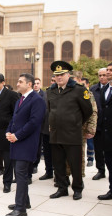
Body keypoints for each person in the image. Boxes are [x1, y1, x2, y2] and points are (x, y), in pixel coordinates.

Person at [46, 61, 92, 200]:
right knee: (58, 164)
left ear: (68, 75)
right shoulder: (50, 91)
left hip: (72, 133)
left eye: (62, 75)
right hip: (55, 133)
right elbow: (50, 110)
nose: (59, 78)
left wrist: (76, 123)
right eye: (56, 75)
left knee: (75, 164)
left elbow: (88, 111)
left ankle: (77, 188)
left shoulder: (79, 90)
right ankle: (62, 188)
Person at [5, 73, 46, 216]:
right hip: (16, 142)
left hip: (26, 143)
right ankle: (25, 202)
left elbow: (34, 123)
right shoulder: (20, 99)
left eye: (20, 81)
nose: (17, 84)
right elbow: (14, 119)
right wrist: (9, 131)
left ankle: (20, 208)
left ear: (29, 84)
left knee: (21, 175)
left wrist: (17, 135)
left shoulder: (37, 100)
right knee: (19, 173)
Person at [90, 68, 109, 180]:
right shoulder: (93, 89)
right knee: (98, 150)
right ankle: (100, 170)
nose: (102, 77)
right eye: (100, 75)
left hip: (109, 125)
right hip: (98, 125)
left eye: (104, 75)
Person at [98, 62, 112, 200]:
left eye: (110, 70)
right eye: (107, 70)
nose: (108, 72)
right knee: (109, 164)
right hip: (106, 135)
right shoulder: (105, 89)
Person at [81, 77, 97, 167]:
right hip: (71, 129)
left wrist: (91, 128)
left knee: (89, 144)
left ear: (87, 84)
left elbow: (93, 112)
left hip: (85, 126)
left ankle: (90, 158)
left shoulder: (88, 94)